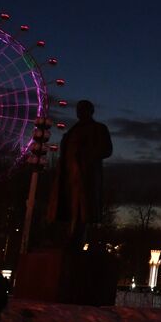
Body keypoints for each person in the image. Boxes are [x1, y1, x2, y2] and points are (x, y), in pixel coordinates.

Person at [48, 99, 113, 247]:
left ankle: (76, 240)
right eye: (78, 109)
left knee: (81, 210)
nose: (79, 112)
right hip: (68, 176)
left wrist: (86, 155)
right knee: (67, 208)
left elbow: (107, 150)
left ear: (90, 111)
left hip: (85, 176)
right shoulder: (72, 131)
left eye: (82, 109)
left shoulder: (99, 128)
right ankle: (65, 239)